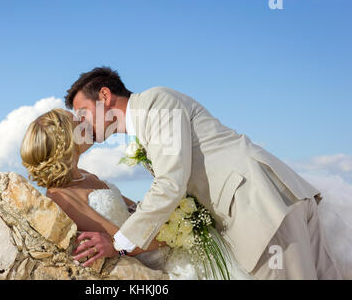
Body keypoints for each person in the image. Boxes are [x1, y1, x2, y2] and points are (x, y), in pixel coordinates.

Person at [60, 67, 343, 280]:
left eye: (83, 112)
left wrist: (117, 243)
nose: (81, 123)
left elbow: (171, 183)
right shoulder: (150, 120)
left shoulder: (156, 104)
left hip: (260, 206)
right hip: (278, 201)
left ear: (105, 96)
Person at [20, 108, 252, 279]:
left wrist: (175, 211)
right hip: (159, 258)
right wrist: (176, 234)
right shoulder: (62, 198)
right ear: (65, 142)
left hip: (162, 241)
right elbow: (124, 239)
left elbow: (136, 208)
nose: (85, 122)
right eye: (76, 123)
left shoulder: (83, 175)